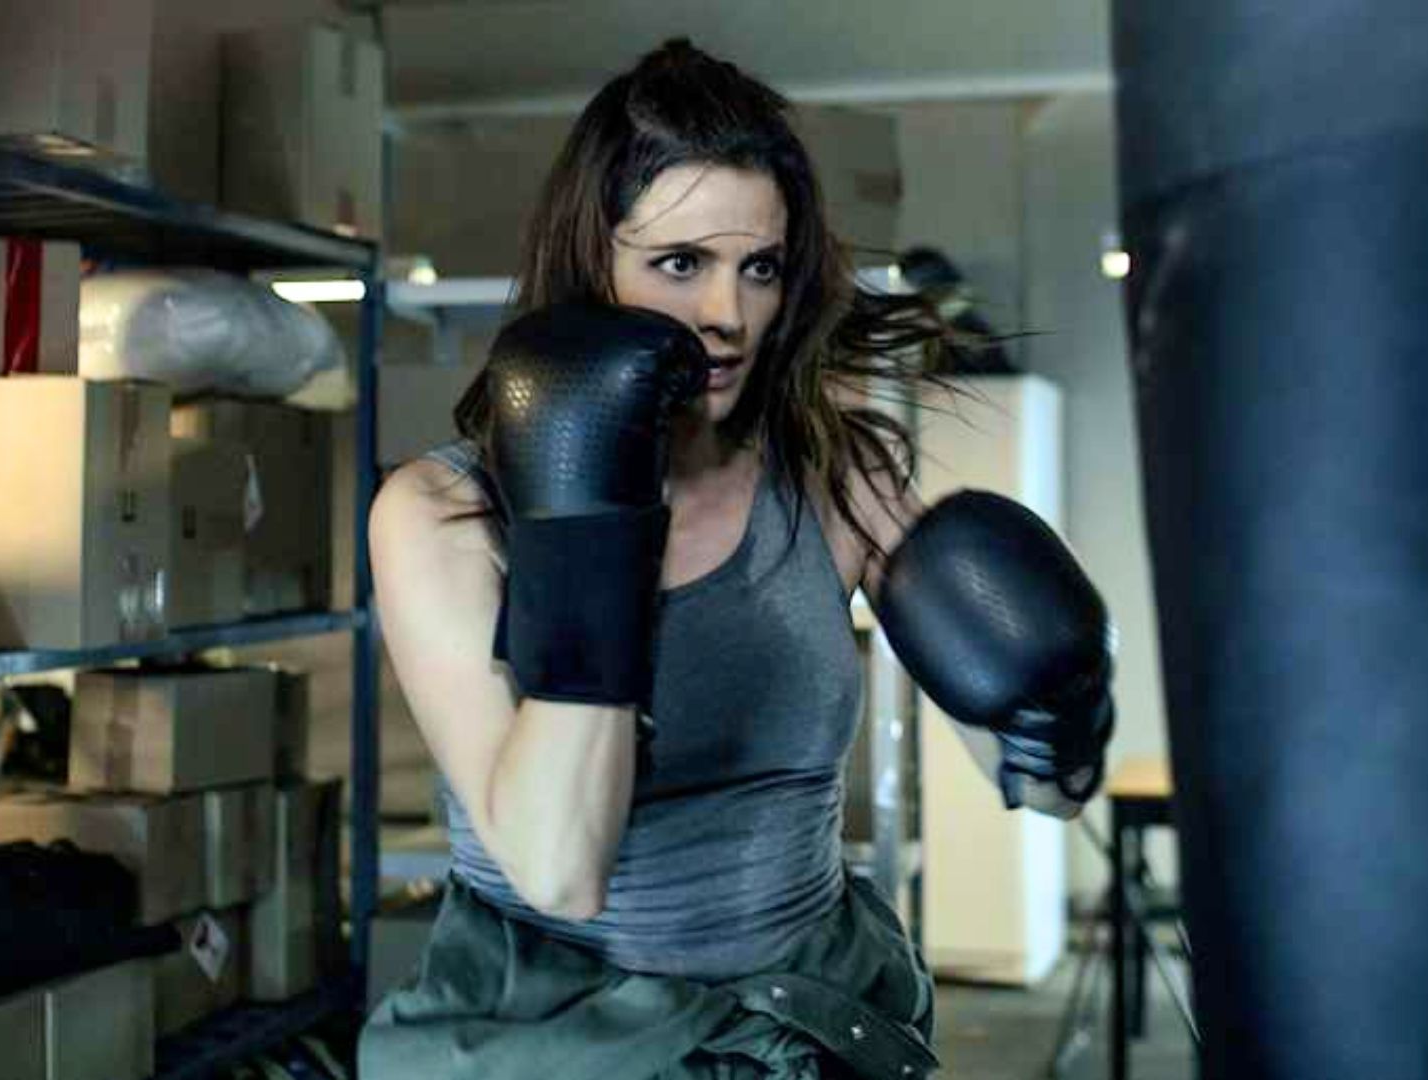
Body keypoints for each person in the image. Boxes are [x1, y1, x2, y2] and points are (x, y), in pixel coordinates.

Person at [361, 39, 1115, 1080]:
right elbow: (558, 869)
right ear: (591, 261)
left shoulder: (832, 475)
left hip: (808, 1026)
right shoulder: (441, 514)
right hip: (566, 1040)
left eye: (758, 267)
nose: (726, 316)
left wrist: (1061, 709)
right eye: (680, 264)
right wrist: (587, 522)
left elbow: (1044, 791)